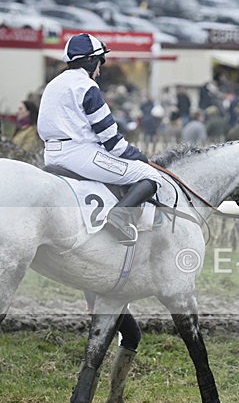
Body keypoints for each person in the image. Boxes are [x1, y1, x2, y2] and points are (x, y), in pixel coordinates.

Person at [38, 33, 161, 244]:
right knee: (150, 175)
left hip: (51, 154)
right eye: (100, 61)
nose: (100, 68)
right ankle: (119, 216)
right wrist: (138, 156)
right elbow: (111, 141)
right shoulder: (86, 86)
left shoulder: (53, 84)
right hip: (79, 154)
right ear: (90, 60)